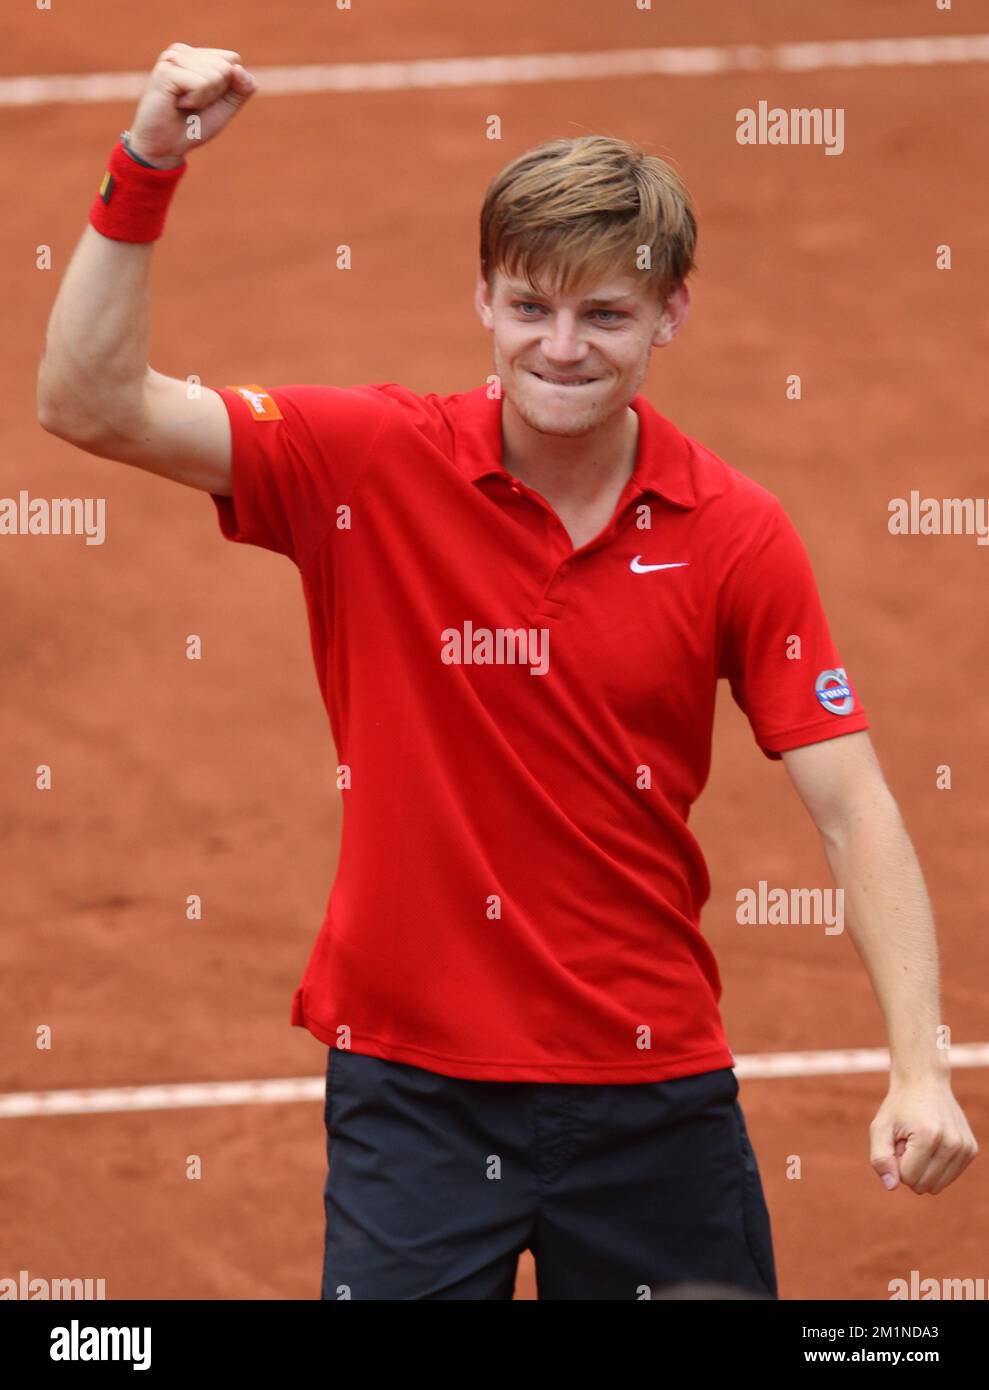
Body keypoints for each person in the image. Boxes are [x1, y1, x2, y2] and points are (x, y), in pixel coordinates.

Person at [37, 43, 977, 1301]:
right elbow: (90, 401)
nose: (562, 348)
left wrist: (917, 1063)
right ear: (481, 299)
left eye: (605, 315)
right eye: (530, 306)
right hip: (412, 1097)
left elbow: (852, 804)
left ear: (670, 312)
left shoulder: (734, 531)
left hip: (650, 1089)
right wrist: (146, 159)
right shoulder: (367, 463)